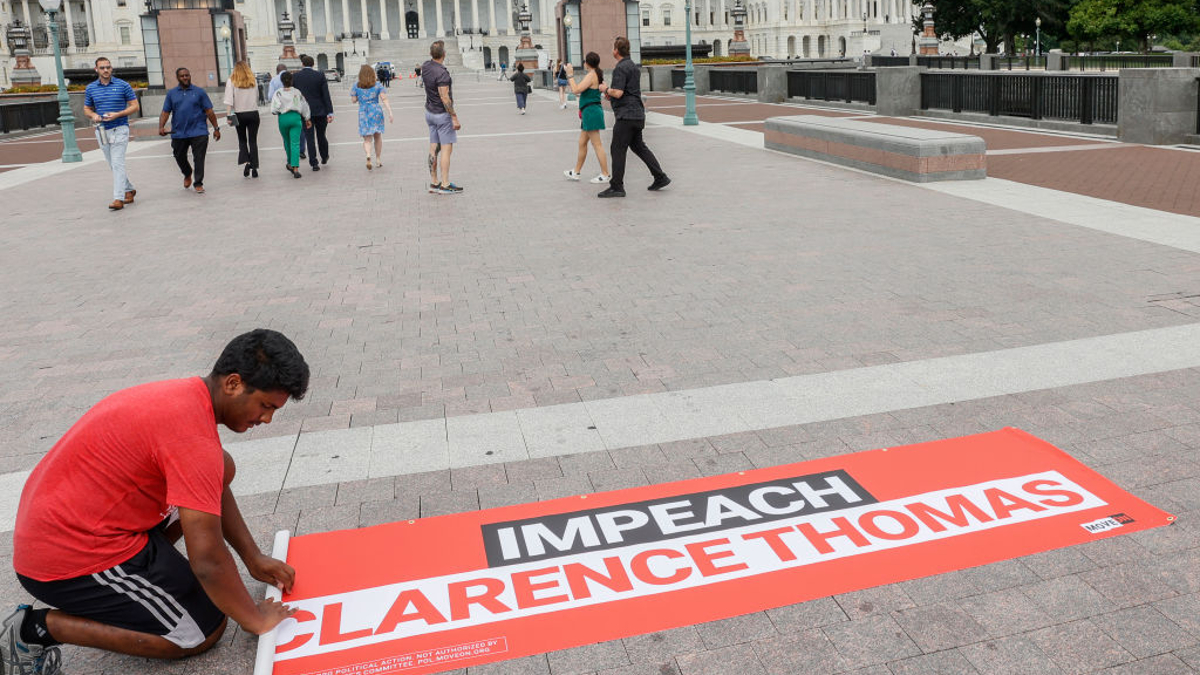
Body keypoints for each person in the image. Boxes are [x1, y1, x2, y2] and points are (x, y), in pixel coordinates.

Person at [3, 329, 309, 675]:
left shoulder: (186, 397)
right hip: (70, 557)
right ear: (234, 384)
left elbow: (212, 485)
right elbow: (207, 561)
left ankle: (130, 586)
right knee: (199, 631)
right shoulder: (192, 439)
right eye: (266, 405)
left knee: (220, 469)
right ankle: (35, 628)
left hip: (87, 526)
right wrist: (255, 619)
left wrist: (252, 558)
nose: (267, 419)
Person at [598, 36, 670, 198]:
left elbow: (618, 92)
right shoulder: (633, 66)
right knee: (638, 146)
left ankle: (617, 186)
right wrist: (613, 94)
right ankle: (660, 177)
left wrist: (605, 89)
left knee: (617, 149)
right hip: (637, 113)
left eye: (613, 48)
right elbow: (627, 91)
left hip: (626, 116)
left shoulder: (620, 68)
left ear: (616, 51)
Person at [83, 57, 138, 211]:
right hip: (101, 130)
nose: (106, 70)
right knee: (112, 164)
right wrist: (93, 115)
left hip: (120, 128)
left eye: (108, 67)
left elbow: (135, 106)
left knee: (118, 162)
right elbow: (86, 108)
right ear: (96, 69)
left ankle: (118, 198)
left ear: (111, 68)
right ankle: (129, 189)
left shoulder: (123, 85)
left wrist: (118, 114)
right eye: (102, 68)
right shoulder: (91, 88)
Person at [158, 67, 220, 195]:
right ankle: (187, 173)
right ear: (178, 78)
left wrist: (216, 128)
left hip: (199, 131)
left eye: (187, 75)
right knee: (178, 155)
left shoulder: (199, 92)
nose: (185, 78)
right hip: (179, 132)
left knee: (199, 158)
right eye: (182, 76)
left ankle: (198, 183)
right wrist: (161, 126)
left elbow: (209, 111)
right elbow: (165, 112)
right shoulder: (172, 94)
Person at [421, 40, 462, 194]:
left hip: (429, 112)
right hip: (441, 114)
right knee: (446, 149)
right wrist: (454, 117)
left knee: (433, 148)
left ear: (431, 54)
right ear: (444, 54)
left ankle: (434, 182)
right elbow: (445, 98)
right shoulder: (442, 73)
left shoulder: (426, 66)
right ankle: (445, 184)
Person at [561, 53, 609, 184]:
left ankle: (605, 174)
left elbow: (576, 90)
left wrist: (570, 74)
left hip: (591, 112)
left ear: (587, 63)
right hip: (590, 112)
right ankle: (576, 171)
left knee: (597, 144)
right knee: (582, 143)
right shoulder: (596, 74)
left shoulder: (591, 75)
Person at [292, 55, 334, 172]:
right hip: (320, 111)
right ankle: (324, 156)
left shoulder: (296, 77)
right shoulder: (320, 75)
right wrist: (330, 111)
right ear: (313, 64)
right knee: (321, 135)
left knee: (309, 137)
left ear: (302, 64)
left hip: (305, 112)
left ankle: (314, 162)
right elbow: (326, 94)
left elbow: (295, 95)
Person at [270, 70, 312, 179]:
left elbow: (274, 108)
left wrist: (278, 111)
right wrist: (307, 118)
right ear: (292, 80)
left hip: (283, 118)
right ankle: (296, 168)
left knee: (287, 142)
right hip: (295, 118)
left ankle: (289, 162)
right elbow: (304, 105)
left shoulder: (278, 93)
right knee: (295, 143)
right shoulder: (297, 92)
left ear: (282, 81)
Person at [350, 64, 394, 170]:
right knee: (377, 136)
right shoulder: (378, 85)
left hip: (363, 112)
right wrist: (390, 112)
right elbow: (384, 99)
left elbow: (353, 100)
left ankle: (368, 155)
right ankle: (378, 159)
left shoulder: (356, 85)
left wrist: (360, 97)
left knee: (367, 138)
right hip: (375, 111)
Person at [224, 61, 261, 178]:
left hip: (239, 114)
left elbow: (229, 100)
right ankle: (254, 167)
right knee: (253, 141)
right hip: (253, 113)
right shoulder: (253, 81)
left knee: (242, 140)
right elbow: (257, 97)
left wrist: (229, 115)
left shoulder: (232, 81)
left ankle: (247, 162)